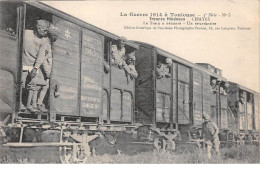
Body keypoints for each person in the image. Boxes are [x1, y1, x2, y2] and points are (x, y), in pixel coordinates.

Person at [20, 19, 50, 112]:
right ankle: (20, 103)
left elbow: (41, 56)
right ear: (38, 28)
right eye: (44, 30)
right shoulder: (26, 33)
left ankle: (29, 106)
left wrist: (35, 68)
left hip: (33, 66)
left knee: (32, 86)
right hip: (23, 63)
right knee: (21, 84)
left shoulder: (44, 41)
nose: (46, 33)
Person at [33, 24, 60, 112]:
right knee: (42, 86)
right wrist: (47, 71)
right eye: (55, 35)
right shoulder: (45, 43)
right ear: (52, 35)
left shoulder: (48, 43)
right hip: (43, 70)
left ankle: (38, 103)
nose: (56, 38)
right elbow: (42, 58)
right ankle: (37, 104)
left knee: (45, 86)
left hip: (46, 69)